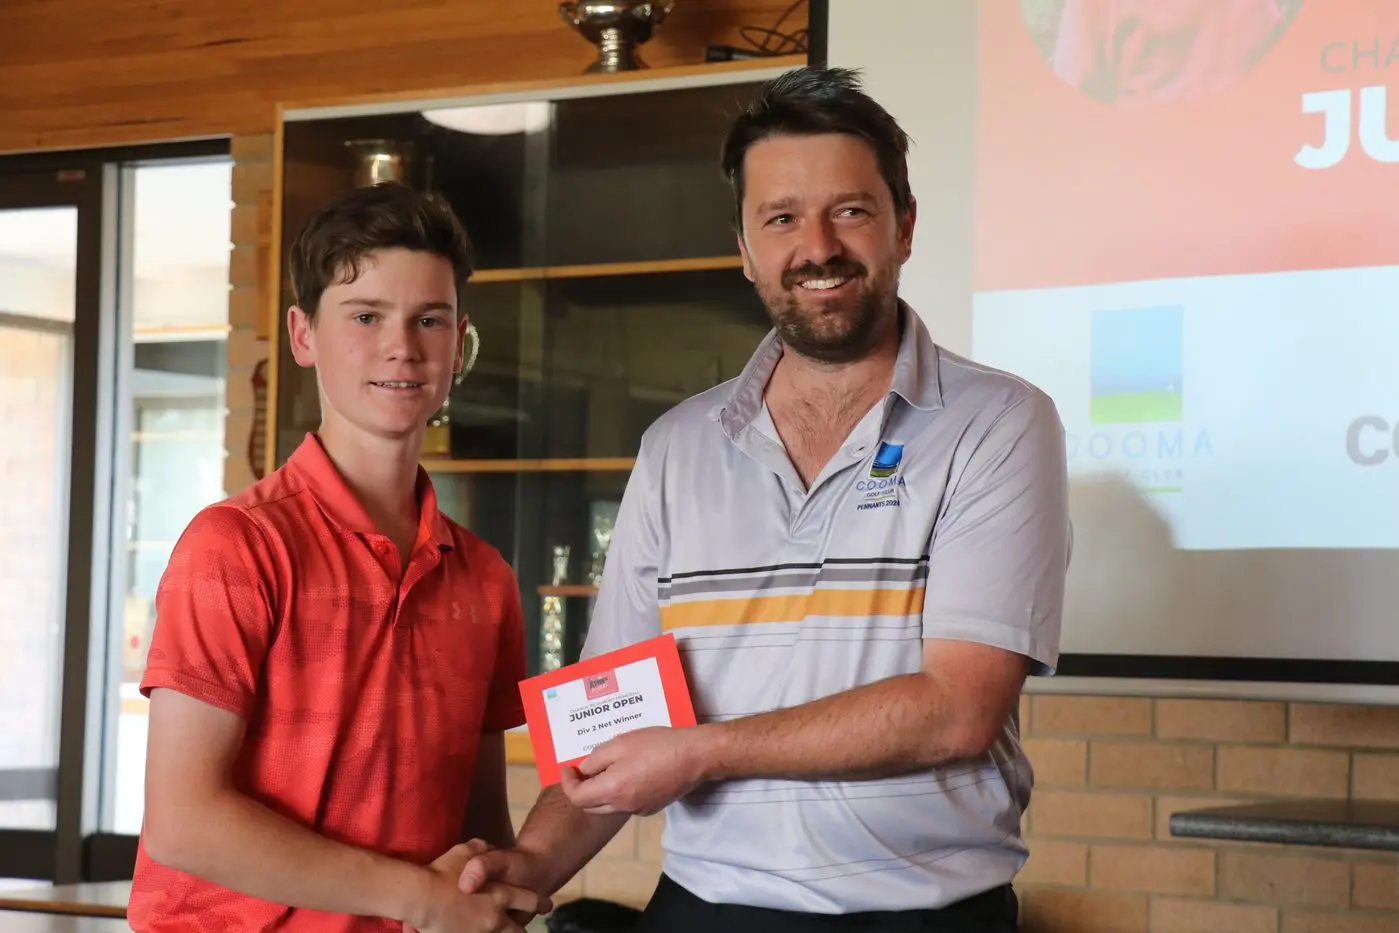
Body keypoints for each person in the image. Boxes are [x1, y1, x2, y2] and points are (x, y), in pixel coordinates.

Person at [458, 66, 1071, 932]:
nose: (815, 245)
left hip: (920, 916)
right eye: (780, 218)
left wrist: (699, 753)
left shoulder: (997, 423)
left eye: (850, 210)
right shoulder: (676, 448)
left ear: (904, 226)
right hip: (704, 909)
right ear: (745, 249)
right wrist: (531, 862)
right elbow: (614, 717)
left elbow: (955, 709)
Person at [129, 182, 550, 933]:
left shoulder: (486, 579)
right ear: (302, 334)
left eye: (430, 319)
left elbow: (480, 822)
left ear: (459, 344)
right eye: (366, 316)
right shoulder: (235, 547)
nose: (402, 346)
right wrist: (424, 898)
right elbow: (182, 819)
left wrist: (496, 895)